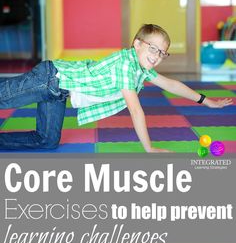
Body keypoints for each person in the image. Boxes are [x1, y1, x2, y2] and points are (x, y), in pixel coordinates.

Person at [0, 23, 232, 152]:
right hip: (50, 79)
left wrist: (205, 100)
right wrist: (149, 149)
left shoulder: (141, 68)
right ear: (137, 44)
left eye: (162, 53)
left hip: (58, 92)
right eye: (153, 49)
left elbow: (171, 83)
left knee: (47, 141)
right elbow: (136, 110)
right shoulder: (125, 65)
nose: (157, 56)